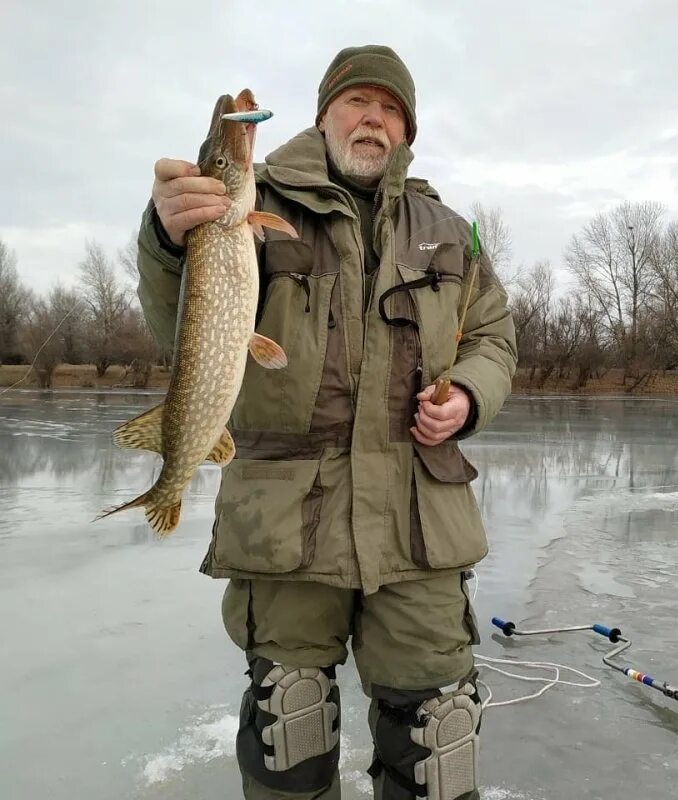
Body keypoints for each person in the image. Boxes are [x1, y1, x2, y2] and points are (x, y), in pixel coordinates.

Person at [136, 44, 517, 800]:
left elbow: (494, 335)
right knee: (292, 734)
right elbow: (175, 319)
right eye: (356, 102)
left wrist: (469, 396)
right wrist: (165, 237)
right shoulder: (243, 203)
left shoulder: (451, 230)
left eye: (390, 108)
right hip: (286, 523)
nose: (373, 118)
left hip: (419, 522)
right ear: (323, 115)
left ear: (407, 131)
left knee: (437, 744)